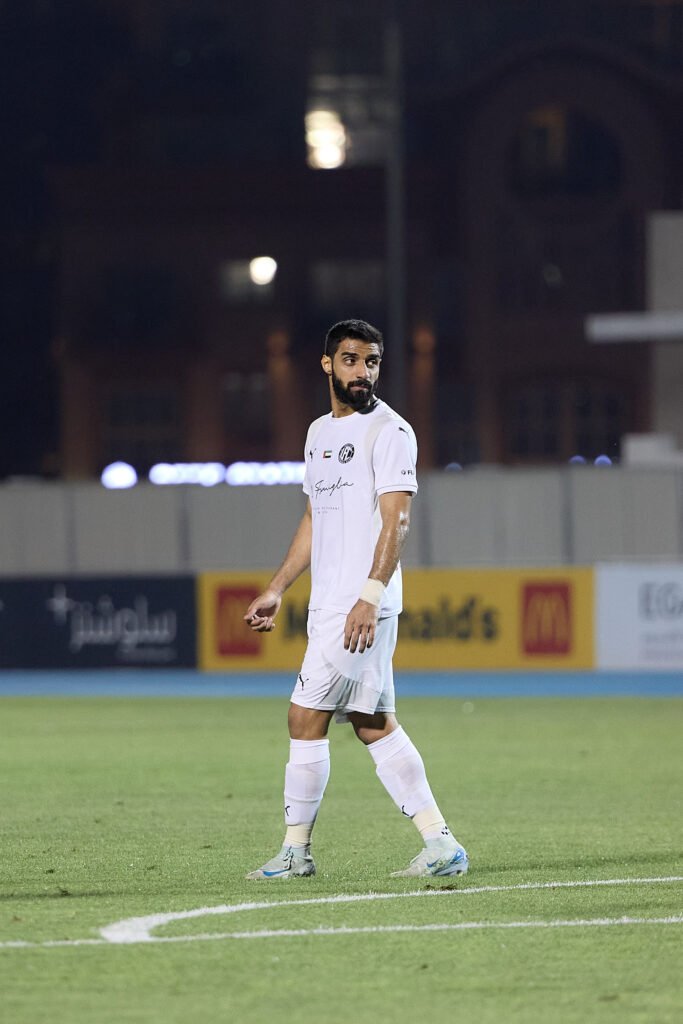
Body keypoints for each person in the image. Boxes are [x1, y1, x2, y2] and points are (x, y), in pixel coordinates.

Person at [243, 319, 468, 879]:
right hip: (332, 605)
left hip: (359, 607)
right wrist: (277, 587)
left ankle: (295, 852)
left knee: (303, 718)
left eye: (371, 361)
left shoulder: (390, 432)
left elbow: (398, 520)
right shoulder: (318, 433)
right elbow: (314, 518)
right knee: (372, 722)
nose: (362, 371)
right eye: (351, 360)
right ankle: (440, 844)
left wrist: (369, 596)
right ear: (327, 364)